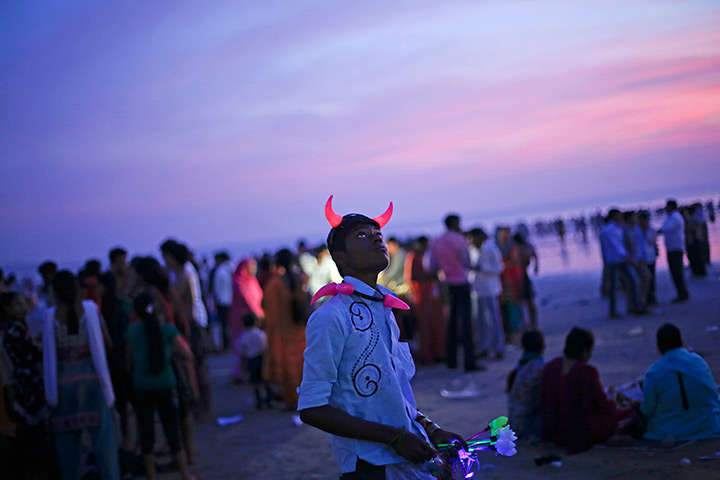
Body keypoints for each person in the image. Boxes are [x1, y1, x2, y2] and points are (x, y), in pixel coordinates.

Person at [298, 196, 467, 479]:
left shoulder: (385, 309)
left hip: (409, 456)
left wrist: (431, 429)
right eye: (362, 235)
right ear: (340, 257)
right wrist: (395, 438)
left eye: (379, 234)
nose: (377, 240)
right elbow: (313, 408)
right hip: (369, 467)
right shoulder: (330, 317)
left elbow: (393, 392)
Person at [44, 270, 120, 480]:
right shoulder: (91, 311)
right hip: (93, 384)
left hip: (62, 388)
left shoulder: (50, 316)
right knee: (105, 446)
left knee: (68, 454)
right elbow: (106, 343)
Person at [128, 291, 196, 480]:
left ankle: (152, 477)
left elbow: (129, 361)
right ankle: (185, 474)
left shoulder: (132, 331)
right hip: (165, 383)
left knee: (146, 433)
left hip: (141, 386)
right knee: (172, 430)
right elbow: (188, 355)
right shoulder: (167, 329)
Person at [540, 327, 633, 453]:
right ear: (585, 351)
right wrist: (613, 400)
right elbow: (603, 406)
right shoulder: (586, 372)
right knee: (630, 414)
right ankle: (611, 435)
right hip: (580, 431)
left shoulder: (551, 367)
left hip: (553, 430)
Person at [160, 240, 212, 421]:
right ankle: (202, 407)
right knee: (197, 366)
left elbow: (177, 299)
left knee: (198, 366)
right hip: (192, 323)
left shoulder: (184, 274)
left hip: (192, 324)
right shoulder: (181, 272)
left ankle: (204, 408)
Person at [641, 323, 720, 441]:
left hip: (670, 432)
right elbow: (713, 395)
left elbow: (648, 410)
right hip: (708, 426)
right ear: (681, 341)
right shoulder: (699, 362)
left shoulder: (654, 372)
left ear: (659, 347)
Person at [430, 214, 477, 371]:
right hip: (461, 283)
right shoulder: (459, 240)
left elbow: (431, 265)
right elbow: (467, 261)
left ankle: (451, 360)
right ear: (455, 223)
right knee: (465, 322)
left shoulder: (437, 242)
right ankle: (469, 361)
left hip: (446, 284)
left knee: (450, 322)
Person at [262, 248, 307, 408]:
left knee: (288, 369)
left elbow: (271, 314)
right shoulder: (300, 279)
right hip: (301, 331)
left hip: (283, 332)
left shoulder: (275, 284)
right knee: (303, 366)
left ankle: (293, 400)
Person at [406, 236, 445, 365]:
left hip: (433, 296)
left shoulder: (429, 256)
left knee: (437, 325)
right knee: (424, 327)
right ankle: (426, 355)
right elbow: (412, 277)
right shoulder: (413, 257)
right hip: (421, 297)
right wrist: (430, 275)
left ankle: (439, 353)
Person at [469, 228, 505, 359]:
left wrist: (482, 268)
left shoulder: (491, 249)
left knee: (493, 320)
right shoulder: (471, 251)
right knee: (479, 321)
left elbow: (499, 268)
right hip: (476, 290)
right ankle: (483, 347)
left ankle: (498, 348)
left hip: (490, 289)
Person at [599, 209, 641, 317]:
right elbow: (618, 247)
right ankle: (617, 310)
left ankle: (630, 306)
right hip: (615, 261)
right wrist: (630, 260)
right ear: (613, 216)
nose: (621, 217)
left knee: (625, 283)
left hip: (615, 260)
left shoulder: (615, 228)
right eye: (619, 215)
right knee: (620, 284)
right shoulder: (609, 230)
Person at [229, 258, 264, 384]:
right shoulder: (238, 281)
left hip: (256, 317)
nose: (254, 269)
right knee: (242, 347)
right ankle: (240, 373)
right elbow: (247, 299)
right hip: (243, 319)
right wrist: (258, 314)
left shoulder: (252, 281)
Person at [506, 330, 545, 441]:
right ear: (543, 347)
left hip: (514, 425)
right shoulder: (540, 368)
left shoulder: (518, 369)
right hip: (529, 428)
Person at [238, 312, 271, 410]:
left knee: (255, 383)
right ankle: (269, 400)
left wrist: (243, 368)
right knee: (265, 380)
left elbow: (243, 352)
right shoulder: (261, 334)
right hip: (261, 359)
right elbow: (265, 348)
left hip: (251, 361)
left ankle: (259, 401)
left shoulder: (243, 336)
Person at [658, 199, 689, 302]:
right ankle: (681, 293)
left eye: (667, 206)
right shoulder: (671, 217)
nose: (665, 208)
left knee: (677, 272)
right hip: (672, 247)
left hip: (675, 248)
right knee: (675, 272)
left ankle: (683, 294)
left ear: (671, 206)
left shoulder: (675, 217)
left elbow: (665, 229)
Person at [513, 233, 539, 330]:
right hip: (521, 276)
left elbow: (533, 257)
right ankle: (531, 323)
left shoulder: (519, 248)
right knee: (527, 302)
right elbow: (535, 257)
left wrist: (536, 266)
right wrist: (536, 266)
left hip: (520, 277)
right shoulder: (525, 247)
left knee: (524, 302)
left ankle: (528, 323)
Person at [211, 252, 233, 350]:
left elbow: (216, 288)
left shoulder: (219, 271)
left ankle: (225, 344)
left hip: (222, 301)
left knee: (223, 324)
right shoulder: (231, 268)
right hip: (230, 299)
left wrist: (215, 301)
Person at [637, 211, 658, 306]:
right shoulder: (636, 230)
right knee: (643, 279)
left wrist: (656, 252)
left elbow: (654, 243)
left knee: (652, 278)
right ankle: (644, 299)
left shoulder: (652, 230)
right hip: (640, 258)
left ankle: (652, 298)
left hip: (650, 256)